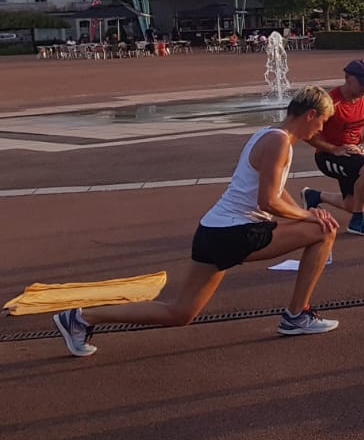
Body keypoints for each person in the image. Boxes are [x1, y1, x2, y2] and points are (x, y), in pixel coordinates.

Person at [51, 87, 343, 358]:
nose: (321, 129)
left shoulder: (269, 134)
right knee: (323, 230)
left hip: (212, 231)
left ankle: (81, 318)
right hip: (237, 232)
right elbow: (268, 202)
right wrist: (309, 215)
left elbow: (275, 192)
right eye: (322, 122)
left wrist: (304, 212)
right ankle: (297, 315)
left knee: (180, 313)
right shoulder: (278, 142)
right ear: (310, 115)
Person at [301, 59, 364, 235]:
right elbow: (307, 134)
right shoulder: (331, 102)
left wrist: (362, 146)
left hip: (352, 155)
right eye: (363, 83)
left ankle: (314, 196)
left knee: (352, 204)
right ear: (348, 78)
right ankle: (357, 222)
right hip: (327, 156)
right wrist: (334, 149)